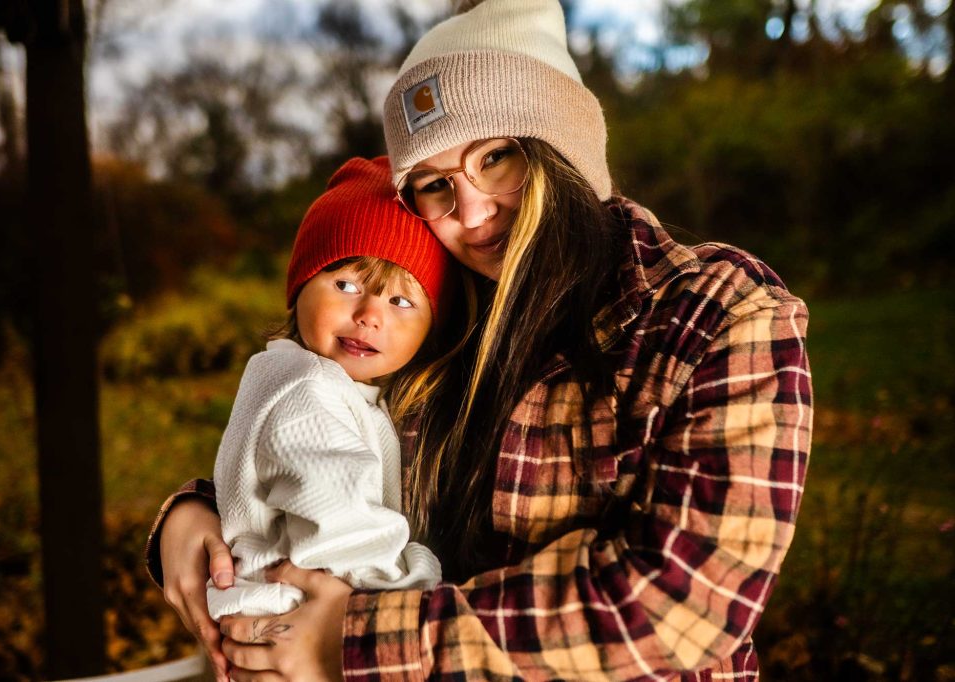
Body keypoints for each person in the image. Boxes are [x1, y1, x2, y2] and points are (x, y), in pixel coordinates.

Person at [146, 0, 813, 680]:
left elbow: (683, 606)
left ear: (566, 148)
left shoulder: (718, 315)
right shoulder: (444, 317)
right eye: (436, 185)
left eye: (495, 157)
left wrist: (352, 643)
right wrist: (195, 514)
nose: (471, 213)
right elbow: (327, 442)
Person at [205, 156, 453, 622]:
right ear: (301, 285)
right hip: (299, 613)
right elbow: (339, 531)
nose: (369, 315)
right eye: (345, 283)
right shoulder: (308, 391)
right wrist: (415, 597)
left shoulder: (303, 377)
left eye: (401, 300)